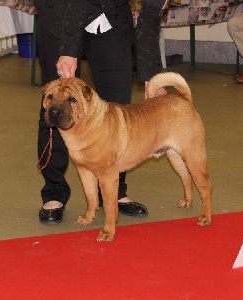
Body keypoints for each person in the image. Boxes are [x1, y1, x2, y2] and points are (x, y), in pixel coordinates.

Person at [35, 0, 149, 225]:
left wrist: (149, 68)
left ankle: (115, 190)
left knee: (118, 112)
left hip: (110, 19)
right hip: (60, 16)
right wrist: (68, 49)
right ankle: (54, 193)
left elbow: (151, 13)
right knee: (55, 106)